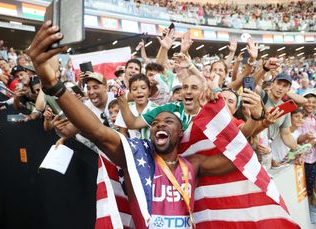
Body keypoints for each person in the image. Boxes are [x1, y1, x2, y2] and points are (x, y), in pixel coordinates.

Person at [27, 21, 237, 229]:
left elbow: (238, 158)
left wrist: (252, 118)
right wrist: (53, 84)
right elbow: (98, 132)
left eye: (168, 121)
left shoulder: (194, 164)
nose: (159, 125)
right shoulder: (135, 158)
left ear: (181, 131)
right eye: (154, 123)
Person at [115, 73, 158, 139]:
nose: (139, 91)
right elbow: (122, 132)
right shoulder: (125, 108)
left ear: (149, 91)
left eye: (143, 88)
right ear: (130, 93)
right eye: (134, 89)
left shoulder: (156, 109)